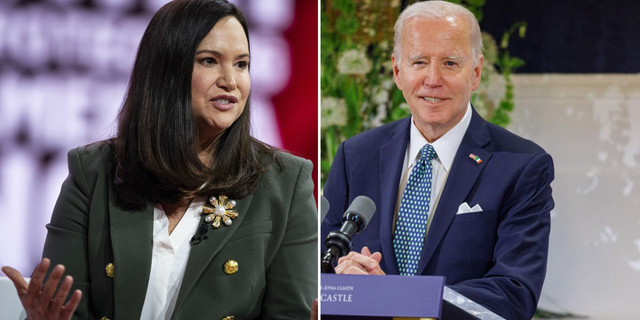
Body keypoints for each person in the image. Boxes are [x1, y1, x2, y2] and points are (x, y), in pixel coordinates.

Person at [1, 0, 317, 319]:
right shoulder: (94, 173)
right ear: (167, 70)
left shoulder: (286, 182)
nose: (231, 81)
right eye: (209, 61)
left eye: (242, 64)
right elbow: (65, 309)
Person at [321, 1, 553, 319]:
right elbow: (320, 270)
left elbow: (513, 296)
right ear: (397, 71)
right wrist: (343, 279)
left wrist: (393, 296)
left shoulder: (521, 165)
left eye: (449, 63)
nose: (433, 79)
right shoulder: (356, 155)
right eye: (419, 62)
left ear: (476, 72)